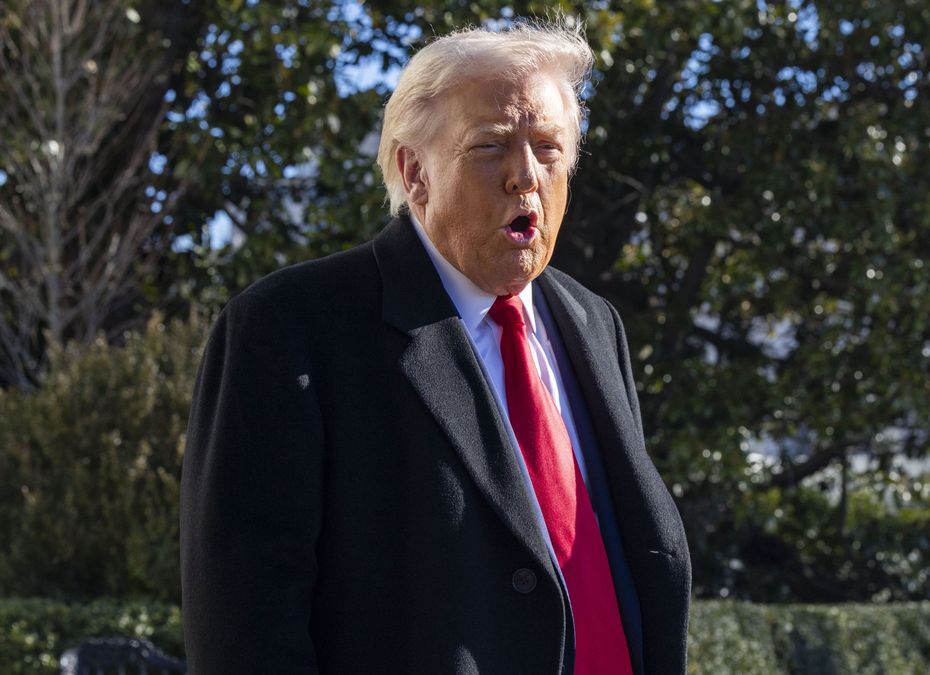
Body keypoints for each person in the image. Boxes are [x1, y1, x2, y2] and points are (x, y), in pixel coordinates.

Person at [180, 21, 691, 675]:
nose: (525, 177)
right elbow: (244, 631)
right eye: (490, 147)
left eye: (549, 148)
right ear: (413, 170)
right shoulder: (290, 328)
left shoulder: (595, 324)